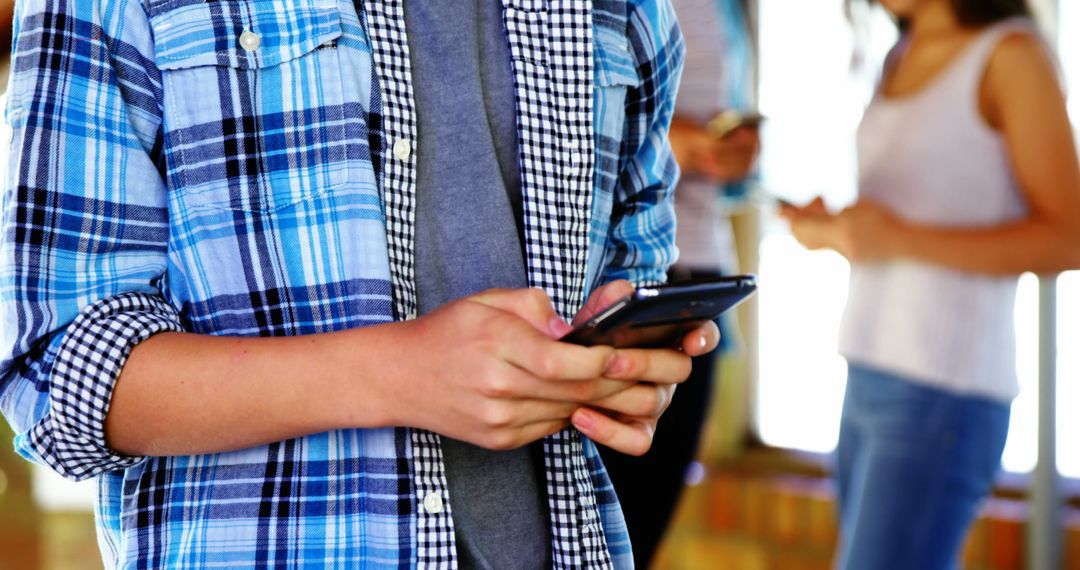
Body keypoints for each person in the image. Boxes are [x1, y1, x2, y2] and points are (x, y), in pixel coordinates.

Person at [0, 0, 715, 567]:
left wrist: (619, 370)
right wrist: (399, 373)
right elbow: (54, 380)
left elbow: (632, 265)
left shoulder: (624, 10)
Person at [781, 0, 1080, 568]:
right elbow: (914, 213)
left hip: (944, 388)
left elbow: (1070, 238)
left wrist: (896, 239)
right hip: (866, 371)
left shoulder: (1011, 55)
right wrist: (841, 231)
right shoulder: (900, 51)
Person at [597, 0, 760, 566]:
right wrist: (666, 140)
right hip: (610, 286)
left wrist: (733, 157)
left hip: (698, 274)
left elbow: (736, 182)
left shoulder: (730, 12)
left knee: (641, 534)